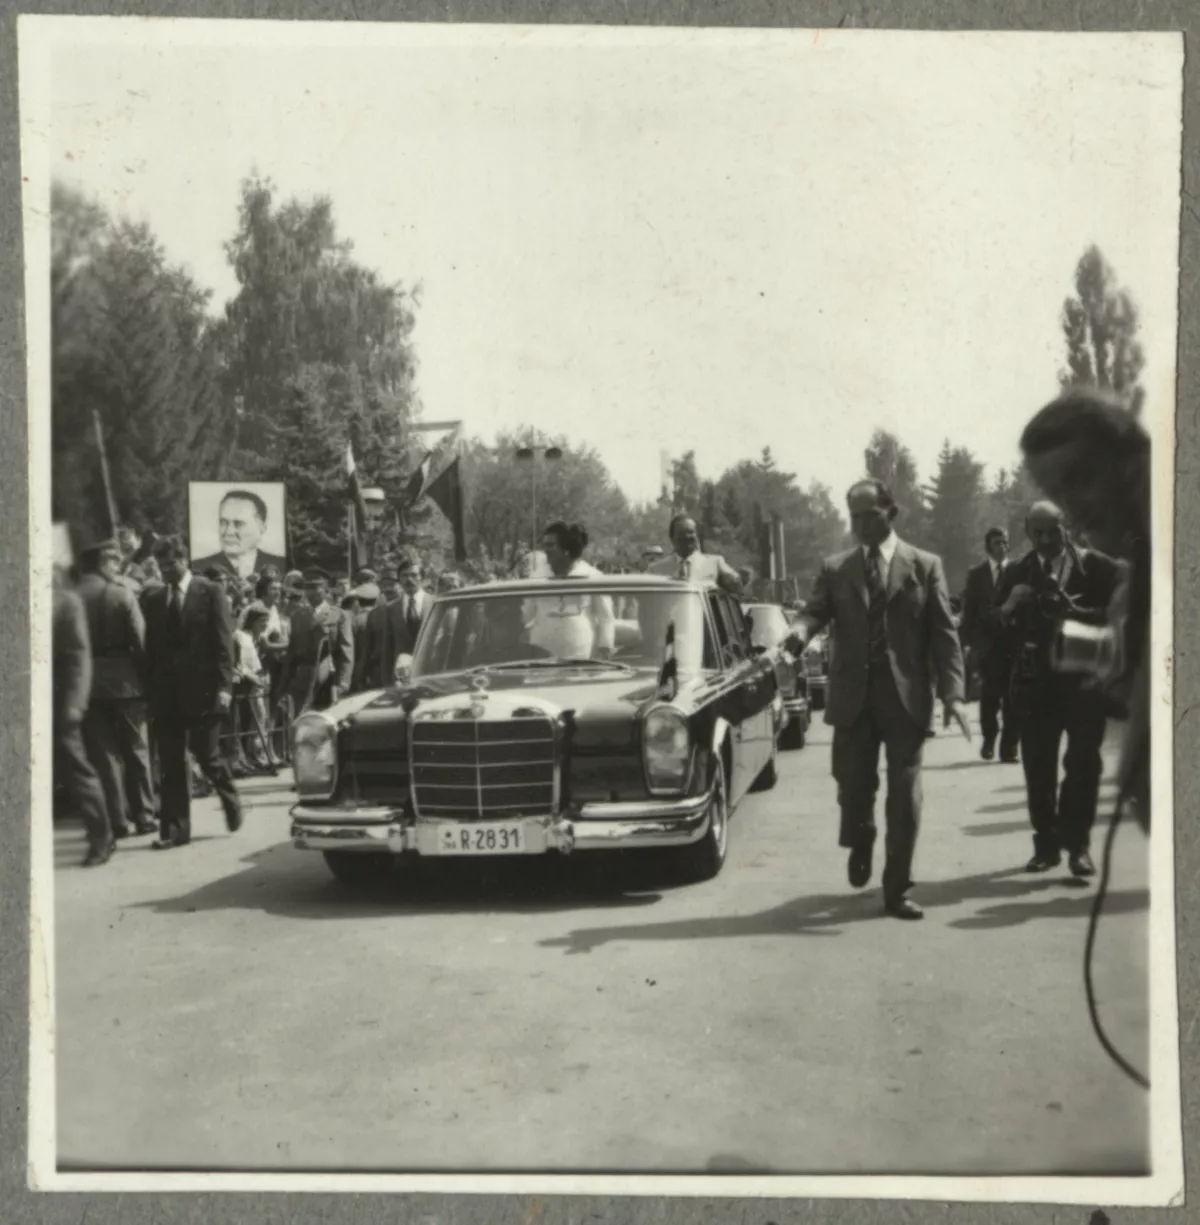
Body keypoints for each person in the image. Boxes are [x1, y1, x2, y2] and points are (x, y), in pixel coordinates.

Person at [786, 479, 969, 920]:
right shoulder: (837, 568)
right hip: (853, 698)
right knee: (852, 789)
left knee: (905, 796)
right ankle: (861, 836)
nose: (861, 525)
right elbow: (815, 612)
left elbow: (944, 634)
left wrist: (954, 694)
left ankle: (896, 889)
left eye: (870, 515)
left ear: (892, 513)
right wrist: (798, 631)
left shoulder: (924, 566)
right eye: (854, 517)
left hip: (905, 699)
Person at [1018, 388, 1151, 830]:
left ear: (1132, 461)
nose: (1074, 509)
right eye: (1057, 492)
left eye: (1077, 479)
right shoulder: (1139, 579)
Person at [990, 500, 1122, 877]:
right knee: (1039, 769)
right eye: (1038, 533)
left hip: (1084, 682)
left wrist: (1076, 613)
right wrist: (1009, 606)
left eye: (1054, 531)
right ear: (1028, 534)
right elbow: (989, 629)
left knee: (1083, 765)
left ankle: (1078, 847)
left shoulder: (1096, 567)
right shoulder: (1017, 571)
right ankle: (1046, 846)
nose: (1047, 540)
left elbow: (1124, 615)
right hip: (1036, 688)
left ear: (1067, 527)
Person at [142, 535, 243, 848]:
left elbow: (224, 643)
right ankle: (174, 831)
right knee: (171, 763)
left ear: (184, 561)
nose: (166, 571)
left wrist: (225, 688)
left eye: (171, 564)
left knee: (207, 755)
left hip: (204, 693)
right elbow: (152, 651)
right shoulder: (154, 599)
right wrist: (151, 692)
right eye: (161, 566)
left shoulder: (210, 591)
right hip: (167, 696)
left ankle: (230, 798)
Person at [76, 538, 157, 840]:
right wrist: (146, 679)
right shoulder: (122, 594)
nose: (118, 566)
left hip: (88, 684)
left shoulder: (75, 596)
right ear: (104, 562)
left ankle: (117, 821)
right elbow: (140, 641)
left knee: (104, 756)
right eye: (114, 561)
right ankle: (145, 815)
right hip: (126, 683)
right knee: (136, 751)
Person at [54, 565, 114, 867]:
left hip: (59, 703)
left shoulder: (65, 602)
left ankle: (101, 837)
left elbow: (79, 656)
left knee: (77, 770)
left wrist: (75, 703)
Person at [960, 527, 1020, 763]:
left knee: (1014, 698)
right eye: (997, 543)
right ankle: (989, 738)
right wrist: (966, 644)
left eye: (1005, 542)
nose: (1002, 547)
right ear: (988, 546)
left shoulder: (1017, 571)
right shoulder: (977, 575)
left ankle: (1010, 747)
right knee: (990, 697)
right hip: (988, 646)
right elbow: (969, 612)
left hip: (1014, 645)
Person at [524, 521, 615, 659]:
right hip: (542, 657)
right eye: (544, 546)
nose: (546, 550)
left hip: (581, 655)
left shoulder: (592, 576)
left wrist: (605, 648)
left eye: (551, 545)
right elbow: (526, 613)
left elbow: (605, 617)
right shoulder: (536, 577)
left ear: (566, 548)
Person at [281, 568, 355, 713]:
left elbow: (346, 653)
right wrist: (284, 685)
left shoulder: (338, 615)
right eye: (308, 588)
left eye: (316, 587)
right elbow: (291, 654)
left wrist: (343, 682)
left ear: (326, 588)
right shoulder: (297, 616)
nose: (312, 592)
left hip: (327, 679)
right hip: (301, 681)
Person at [353, 559, 427, 691]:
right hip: (399, 680)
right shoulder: (389, 610)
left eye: (414, 575)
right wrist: (387, 683)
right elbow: (387, 649)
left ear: (422, 578)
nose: (409, 580)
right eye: (404, 576)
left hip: (430, 674)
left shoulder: (436, 604)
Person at [192, 489, 288, 579]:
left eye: (238, 524)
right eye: (223, 523)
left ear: (262, 527)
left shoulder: (281, 566)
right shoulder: (198, 569)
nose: (229, 532)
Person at [649, 514, 742, 594]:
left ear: (697, 536)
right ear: (672, 538)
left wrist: (733, 580)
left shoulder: (715, 563)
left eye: (691, 532)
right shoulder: (656, 570)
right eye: (681, 534)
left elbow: (737, 589)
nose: (687, 536)